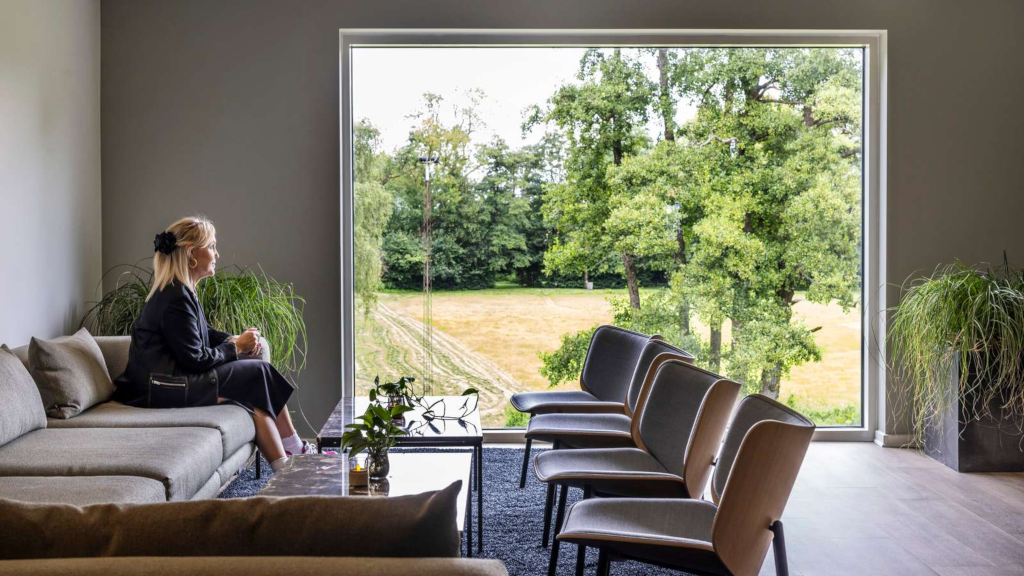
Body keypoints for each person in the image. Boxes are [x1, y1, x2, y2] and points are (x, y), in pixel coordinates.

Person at [114, 215, 312, 472]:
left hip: (171, 381)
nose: (217, 255)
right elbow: (195, 360)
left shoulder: (182, 290)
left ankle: (288, 463)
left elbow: (201, 332)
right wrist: (237, 347)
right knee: (258, 370)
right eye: (211, 247)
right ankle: (294, 452)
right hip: (162, 388)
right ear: (191, 253)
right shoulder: (175, 297)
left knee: (254, 383)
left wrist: (232, 339)